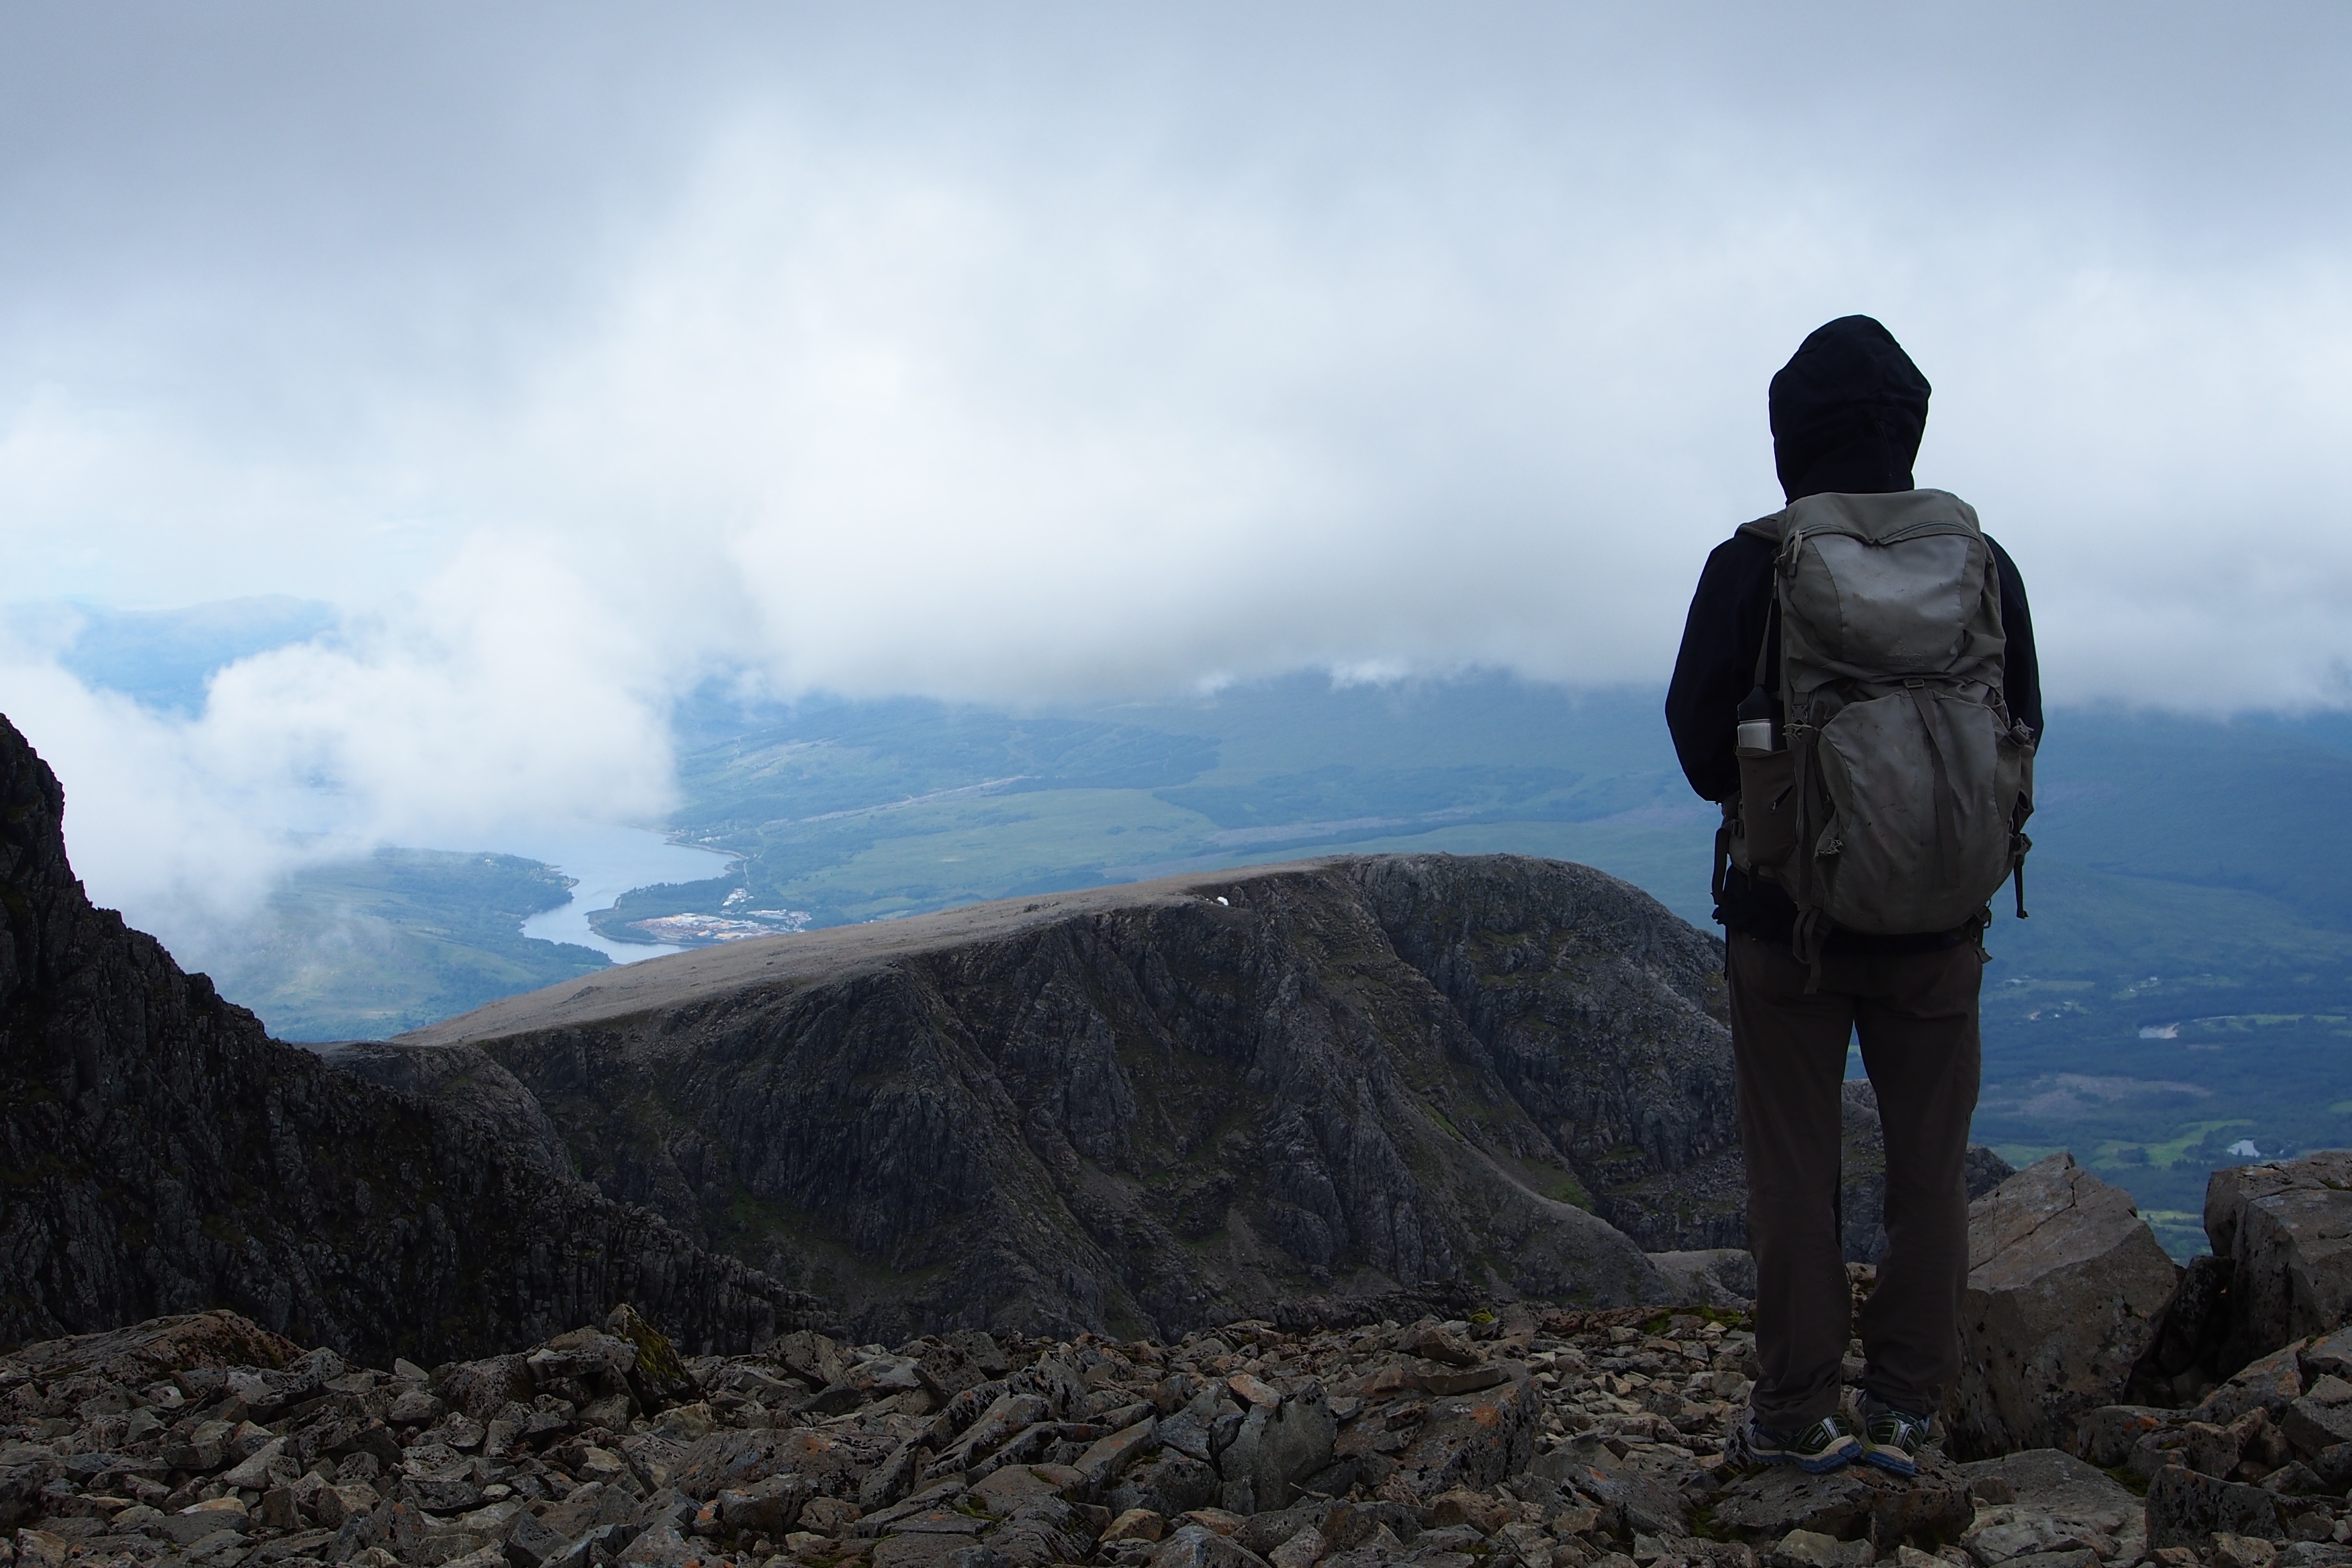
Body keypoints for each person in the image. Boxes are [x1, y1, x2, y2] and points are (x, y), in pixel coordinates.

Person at [1663, 316, 2042, 1474]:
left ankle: (1797, 1413)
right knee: (1930, 1175)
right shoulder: (1982, 566)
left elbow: (1699, 745)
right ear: (1908, 429)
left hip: (1790, 929)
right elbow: (2022, 725)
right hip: (1942, 931)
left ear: (1790, 434)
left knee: (1795, 1175)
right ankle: (1909, 1408)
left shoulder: (1753, 565)